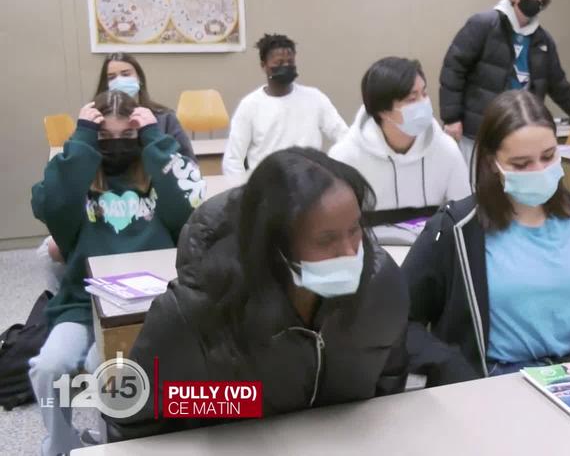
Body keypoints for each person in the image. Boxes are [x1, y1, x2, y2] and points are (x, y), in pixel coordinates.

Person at [106, 148, 409, 440]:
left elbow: (388, 379)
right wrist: (232, 407)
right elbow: (131, 418)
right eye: (326, 239)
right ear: (276, 245)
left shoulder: (379, 285)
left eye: (354, 229)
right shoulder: (196, 314)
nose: (349, 252)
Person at [402, 90, 570, 387]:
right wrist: (447, 364)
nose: (539, 171)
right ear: (493, 162)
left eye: (548, 156)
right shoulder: (454, 230)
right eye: (521, 164)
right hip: (493, 381)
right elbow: (400, 317)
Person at [29, 91, 203, 456]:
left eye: (126, 137)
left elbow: (191, 205)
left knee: (108, 369)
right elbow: (48, 204)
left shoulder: (156, 176)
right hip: (82, 301)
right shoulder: (79, 182)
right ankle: (59, 446)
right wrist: (81, 140)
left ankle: (117, 446)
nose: (116, 146)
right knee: (49, 367)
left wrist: (156, 139)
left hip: (144, 306)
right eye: (105, 138)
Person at [439, 0, 570, 172]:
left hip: (520, 128)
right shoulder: (484, 24)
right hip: (480, 127)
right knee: (477, 186)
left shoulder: (542, 39)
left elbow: (558, 84)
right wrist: (451, 117)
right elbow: (454, 68)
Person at [329, 57, 470, 244]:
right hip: (369, 254)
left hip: (429, 251)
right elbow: (335, 223)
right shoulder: (345, 156)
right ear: (383, 111)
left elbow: (464, 215)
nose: (423, 103)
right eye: (412, 99)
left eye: (424, 93)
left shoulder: (446, 150)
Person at [222, 33, 349, 176]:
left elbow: (344, 136)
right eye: (279, 63)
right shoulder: (250, 106)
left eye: (290, 62)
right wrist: (242, 193)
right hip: (267, 184)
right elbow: (233, 160)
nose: (286, 66)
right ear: (264, 66)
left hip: (311, 181)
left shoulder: (315, 98)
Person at [94, 52, 195, 160]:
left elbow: (188, 160)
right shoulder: (95, 117)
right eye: (111, 77)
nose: (119, 80)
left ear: (139, 78)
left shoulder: (165, 117)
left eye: (126, 74)